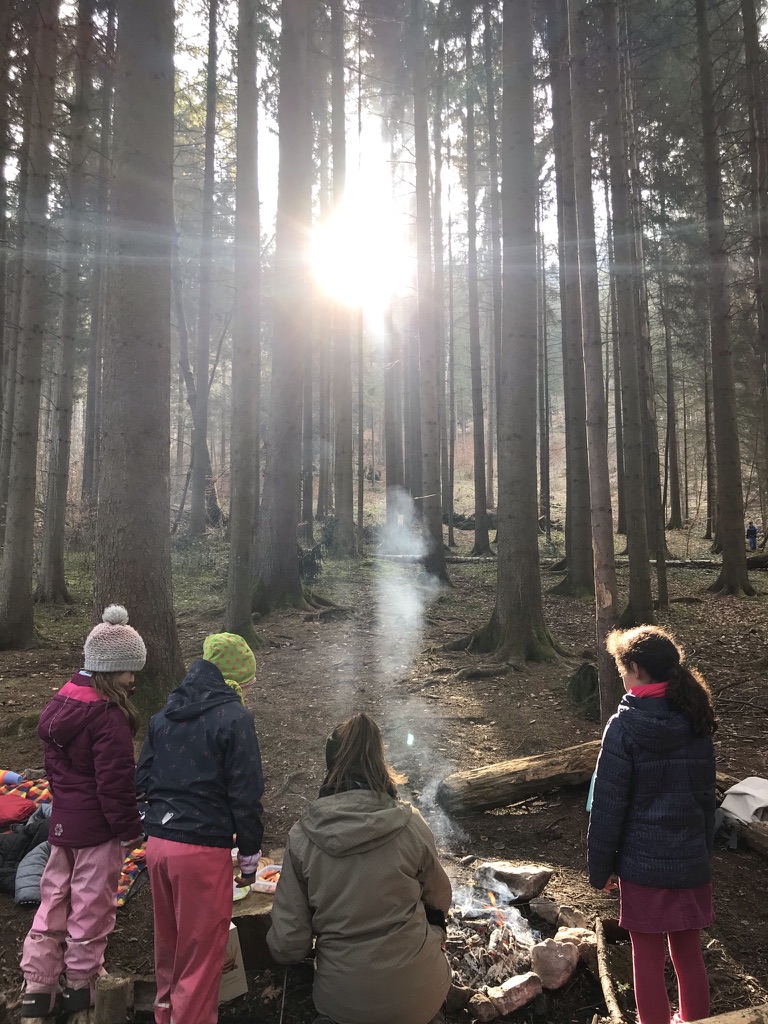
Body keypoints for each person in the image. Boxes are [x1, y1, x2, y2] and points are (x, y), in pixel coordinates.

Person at [267, 712, 452, 1024]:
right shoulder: (411, 824)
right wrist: (434, 933)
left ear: (330, 764)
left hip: (343, 1005)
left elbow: (288, 945)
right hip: (422, 997)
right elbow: (440, 900)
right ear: (380, 762)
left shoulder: (302, 838)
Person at [20, 605, 146, 1023]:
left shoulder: (64, 704)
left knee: (54, 898)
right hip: (97, 830)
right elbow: (115, 785)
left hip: (63, 823)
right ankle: (82, 983)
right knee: (92, 905)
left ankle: (38, 985)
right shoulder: (109, 718)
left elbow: (58, 773)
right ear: (111, 670)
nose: (133, 680)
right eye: (129, 671)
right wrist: (130, 830)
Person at [587, 626, 717, 1024]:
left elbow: (607, 806)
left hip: (643, 866)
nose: (622, 678)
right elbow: (706, 798)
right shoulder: (695, 717)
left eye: (623, 670)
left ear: (637, 670)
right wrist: (703, 853)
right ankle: (694, 1020)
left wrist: (600, 869)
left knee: (646, 956)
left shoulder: (624, 727)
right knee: (688, 951)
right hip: (689, 861)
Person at [136, 633, 264, 1024]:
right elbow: (246, 794)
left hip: (158, 845)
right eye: (246, 683)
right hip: (201, 852)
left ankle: (165, 1014)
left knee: (169, 942)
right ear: (232, 679)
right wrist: (249, 858)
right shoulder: (235, 719)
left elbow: (142, 780)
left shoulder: (164, 715)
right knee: (201, 956)